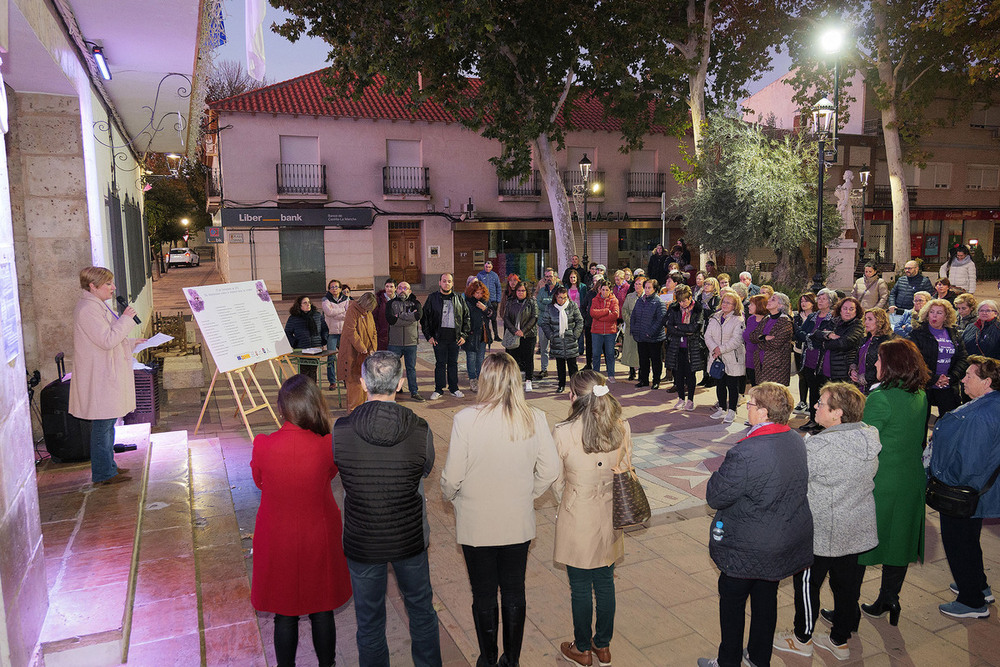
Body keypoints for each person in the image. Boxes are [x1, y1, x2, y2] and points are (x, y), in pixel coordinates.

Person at [440, 352, 559, 667]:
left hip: (476, 525)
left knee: (482, 594)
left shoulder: (466, 419)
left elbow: (452, 478)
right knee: (514, 590)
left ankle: (489, 659)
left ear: (486, 381)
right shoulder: (535, 417)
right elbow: (550, 470)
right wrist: (526, 495)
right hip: (516, 522)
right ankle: (513, 660)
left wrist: (453, 496)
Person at [333, 352, 441, 666]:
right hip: (409, 538)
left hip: (363, 540)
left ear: (363, 382)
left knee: (369, 620)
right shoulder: (420, 429)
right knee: (421, 611)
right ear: (401, 383)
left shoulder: (341, 430)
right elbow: (425, 469)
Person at [698, 382, 813, 667]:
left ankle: (729, 662)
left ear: (762, 412)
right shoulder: (796, 439)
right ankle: (759, 659)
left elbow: (715, 495)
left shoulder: (747, 452)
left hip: (748, 545)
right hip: (782, 540)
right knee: (765, 601)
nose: (745, 407)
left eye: (749, 404)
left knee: (733, 604)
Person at [251, 375, 352, 667]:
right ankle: (327, 664)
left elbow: (260, 481)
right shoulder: (326, 446)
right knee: (322, 608)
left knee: (285, 612)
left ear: (281, 410)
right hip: (317, 535)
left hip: (278, 537)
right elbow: (330, 475)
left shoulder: (263, 445)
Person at [773, 382, 879, 662]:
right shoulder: (869, 437)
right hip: (856, 525)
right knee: (847, 588)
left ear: (838, 413)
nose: (816, 406)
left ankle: (802, 638)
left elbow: (795, 480)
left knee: (807, 584)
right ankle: (839, 640)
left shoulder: (821, 446)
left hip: (823, 529)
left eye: (821, 403)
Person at [554, 369, 628, 666]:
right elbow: (626, 466)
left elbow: (556, 480)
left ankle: (582, 648)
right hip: (609, 514)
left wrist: (569, 498)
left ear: (575, 397)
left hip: (577, 512)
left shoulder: (563, 431)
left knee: (581, 586)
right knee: (605, 581)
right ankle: (603, 646)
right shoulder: (621, 426)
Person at [855, 339, 929, 626]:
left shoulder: (881, 398)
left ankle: (846, 609)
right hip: (910, 478)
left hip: (882, 480)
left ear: (891, 365)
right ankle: (889, 598)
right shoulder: (919, 394)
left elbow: (864, 444)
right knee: (899, 539)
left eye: (879, 359)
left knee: (861, 543)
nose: (874, 363)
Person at [930, 355, 1000, 619]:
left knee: (958, 542)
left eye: (970, 375)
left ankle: (972, 602)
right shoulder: (990, 405)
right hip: (982, 490)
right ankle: (978, 585)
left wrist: (941, 477)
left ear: (987, 382)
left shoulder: (981, 415)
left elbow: (969, 461)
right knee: (970, 539)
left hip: (965, 491)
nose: (963, 379)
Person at [70, 266, 139, 485]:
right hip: (99, 377)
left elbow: (108, 339)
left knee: (108, 424)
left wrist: (132, 342)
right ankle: (103, 473)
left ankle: (109, 467)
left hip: (105, 373)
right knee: (103, 426)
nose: (113, 287)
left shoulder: (97, 306)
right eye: (108, 283)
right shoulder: (88, 310)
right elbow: (106, 341)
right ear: (93, 286)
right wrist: (126, 319)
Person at [808, 296, 865, 433]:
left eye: (851, 309)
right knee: (824, 403)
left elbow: (844, 343)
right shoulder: (833, 322)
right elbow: (815, 334)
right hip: (824, 369)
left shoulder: (857, 325)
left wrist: (825, 341)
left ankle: (836, 431)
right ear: (839, 310)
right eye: (845, 308)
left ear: (856, 312)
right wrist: (828, 336)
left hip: (841, 371)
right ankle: (822, 427)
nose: (847, 311)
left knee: (837, 405)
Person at [908, 298, 967, 420]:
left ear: (946, 316)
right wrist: (933, 378)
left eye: (939, 313)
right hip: (924, 386)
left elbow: (962, 358)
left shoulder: (954, 333)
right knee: (920, 423)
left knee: (949, 423)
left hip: (948, 386)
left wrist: (951, 377)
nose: (934, 315)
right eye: (932, 312)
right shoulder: (917, 333)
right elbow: (913, 360)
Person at [421, 273, 472, 400]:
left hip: (455, 338)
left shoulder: (459, 298)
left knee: (453, 363)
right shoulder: (432, 298)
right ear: (439, 283)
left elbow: (467, 317)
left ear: (452, 283)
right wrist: (429, 336)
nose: (446, 283)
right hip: (438, 338)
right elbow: (425, 318)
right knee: (440, 364)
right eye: (444, 281)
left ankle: (454, 388)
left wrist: (464, 335)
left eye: (449, 281)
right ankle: (438, 389)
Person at [705, 290, 746, 424]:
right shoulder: (715, 317)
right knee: (720, 383)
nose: (725, 304)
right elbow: (707, 335)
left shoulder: (738, 319)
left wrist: (720, 349)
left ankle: (732, 410)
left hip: (732, 357)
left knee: (732, 385)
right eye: (724, 301)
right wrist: (714, 349)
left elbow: (736, 340)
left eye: (729, 303)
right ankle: (721, 408)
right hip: (716, 356)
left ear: (735, 306)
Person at [664, 285, 706, 410]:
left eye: (684, 300)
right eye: (680, 301)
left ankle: (690, 400)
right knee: (678, 374)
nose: (682, 304)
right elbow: (668, 325)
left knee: (690, 374)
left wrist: (678, 327)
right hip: (676, 345)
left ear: (690, 298)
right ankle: (681, 398)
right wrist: (683, 330)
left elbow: (694, 328)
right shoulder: (674, 307)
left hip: (692, 346)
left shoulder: (698, 308)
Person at [337, 292, 378, 413]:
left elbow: (374, 331)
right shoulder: (353, 310)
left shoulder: (368, 312)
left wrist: (372, 348)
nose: (368, 311)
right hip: (353, 353)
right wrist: (362, 347)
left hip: (365, 355)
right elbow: (350, 331)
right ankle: (353, 412)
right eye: (367, 308)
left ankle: (364, 409)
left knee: (365, 381)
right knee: (354, 382)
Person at [539, 286, 584, 393]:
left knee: (573, 366)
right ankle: (561, 384)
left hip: (570, 340)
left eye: (564, 298)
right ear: (555, 297)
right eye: (559, 297)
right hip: (557, 340)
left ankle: (575, 387)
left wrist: (575, 334)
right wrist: (551, 335)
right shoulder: (550, 308)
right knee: (560, 365)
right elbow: (544, 323)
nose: (562, 300)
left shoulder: (572, 306)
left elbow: (579, 321)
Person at [386, 281, 424, 402]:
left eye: (405, 288)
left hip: (411, 342)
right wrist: (409, 317)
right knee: (393, 368)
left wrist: (400, 316)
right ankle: (392, 391)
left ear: (410, 291)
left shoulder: (416, 303)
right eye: (400, 288)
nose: (402, 290)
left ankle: (414, 392)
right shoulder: (390, 304)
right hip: (395, 342)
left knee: (411, 368)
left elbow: (418, 316)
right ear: (396, 290)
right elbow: (391, 320)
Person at [630, 278, 667, 390]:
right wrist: (635, 329)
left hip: (654, 338)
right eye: (645, 287)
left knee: (656, 361)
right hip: (641, 336)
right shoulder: (640, 301)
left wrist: (650, 332)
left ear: (655, 289)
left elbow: (661, 320)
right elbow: (634, 316)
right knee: (643, 360)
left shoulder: (658, 302)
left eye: (649, 288)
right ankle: (644, 380)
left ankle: (656, 380)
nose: (646, 290)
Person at [503, 280, 539, 392]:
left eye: (523, 290)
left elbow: (534, 317)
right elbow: (506, 318)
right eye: (518, 290)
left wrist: (523, 330)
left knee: (528, 358)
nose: (520, 292)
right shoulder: (510, 302)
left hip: (528, 335)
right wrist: (515, 331)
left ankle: (529, 380)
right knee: (513, 358)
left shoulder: (531, 302)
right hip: (514, 335)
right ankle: (514, 380)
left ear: (526, 291)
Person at [752, 292, 794, 386]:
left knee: (773, 396)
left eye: (773, 299)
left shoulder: (786, 322)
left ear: (781, 305)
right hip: (761, 364)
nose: (769, 301)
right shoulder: (766, 318)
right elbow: (753, 336)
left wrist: (759, 341)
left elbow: (775, 343)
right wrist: (764, 337)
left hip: (775, 367)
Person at [852, 308, 893, 393]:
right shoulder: (865, 338)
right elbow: (857, 356)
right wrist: (853, 369)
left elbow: (884, 366)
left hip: (874, 386)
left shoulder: (886, 341)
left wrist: (864, 378)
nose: (866, 322)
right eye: (865, 319)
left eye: (870, 319)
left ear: (880, 321)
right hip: (859, 385)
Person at [463, 280, 495, 393]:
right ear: (472, 292)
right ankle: (473, 379)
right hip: (471, 335)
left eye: (481, 293)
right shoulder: (467, 302)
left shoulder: (485, 301)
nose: (479, 295)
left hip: (483, 334)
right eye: (476, 293)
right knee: (471, 358)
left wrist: (485, 309)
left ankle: (480, 378)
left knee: (480, 358)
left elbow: (493, 315)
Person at [322, 279, 350, 390]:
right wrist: (342, 309)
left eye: (336, 287)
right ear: (329, 289)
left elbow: (347, 315)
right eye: (332, 287)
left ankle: (345, 379)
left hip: (343, 333)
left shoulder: (346, 298)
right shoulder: (325, 299)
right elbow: (328, 313)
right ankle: (332, 381)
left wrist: (335, 312)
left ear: (340, 288)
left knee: (345, 357)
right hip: (331, 333)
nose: (334, 289)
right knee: (331, 358)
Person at [792, 293, 818, 413]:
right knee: (801, 376)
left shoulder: (815, 317)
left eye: (806, 301)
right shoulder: (797, 317)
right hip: (798, 349)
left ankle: (812, 403)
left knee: (811, 377)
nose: (803, 303)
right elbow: (796, 333)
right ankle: (802, 401)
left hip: (810, 351)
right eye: (801, 301)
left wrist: (805, 322)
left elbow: (810, 333)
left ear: (813, 303)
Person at [534, 267, 561, 380]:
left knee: (559, 349)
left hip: (557, 323)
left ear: (555, 277)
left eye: (550, 276)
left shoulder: (561, 290)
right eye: (546, 277)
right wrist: (551, 305)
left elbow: (561, 304)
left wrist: (548, 304)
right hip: (543, 323)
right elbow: (538, 304)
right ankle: (544, 369)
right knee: (544, 348)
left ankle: (560, 371)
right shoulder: (542, 290)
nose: (548, 279)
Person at [590, 281, 620, 381]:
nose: (604, 292)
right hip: (596, 331)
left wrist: (600, 317)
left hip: (610, 332)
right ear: (600, 289)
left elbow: (615, 315)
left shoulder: (614, 300)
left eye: (607, 290)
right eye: (603, 289)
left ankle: (611, 374)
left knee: (610, 354)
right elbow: (592, 313)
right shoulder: (595, 299)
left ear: (610, 290)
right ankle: (596, 375)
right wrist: (606, 311)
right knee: (596, 354)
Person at [620, 275, 643, 382]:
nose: (637, 286)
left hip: (643, 328)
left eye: (640, 284)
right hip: (631, 327)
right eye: (636, 284)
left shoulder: (647, 297)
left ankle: (642, 372)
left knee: (641, 351)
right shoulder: (630, 296)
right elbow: (624, 310)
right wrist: (630, 322)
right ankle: (632, 371)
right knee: (631, 349)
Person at [742, 294, 768, 389]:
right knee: (754, 386)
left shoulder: (767, 320)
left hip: (761, 360)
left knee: (762, 389)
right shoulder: (751, 319)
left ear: (760, 306)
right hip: (749, 357)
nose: (749, 306)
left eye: (752, 304)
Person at [477, 260, 503, 340]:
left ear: (491, 267)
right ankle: (488, 336)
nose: (487, 268)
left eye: (489, 267)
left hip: (493, 300)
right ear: (484, 267)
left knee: (494, 319)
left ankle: (496, 335)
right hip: (484, 301)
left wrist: (498, 300)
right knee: (486, 320)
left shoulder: (495, 276)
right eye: (486, 267)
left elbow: (498, 288)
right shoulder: (480, 275)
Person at [373, 279, 396, 351]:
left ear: (395, 288)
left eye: (391, 287)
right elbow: (374, 317)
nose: (389, 289)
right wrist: (378, 330)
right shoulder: (379, 300)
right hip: (382, 334)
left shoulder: (399, 300)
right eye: (387, 286)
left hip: (396, 334)